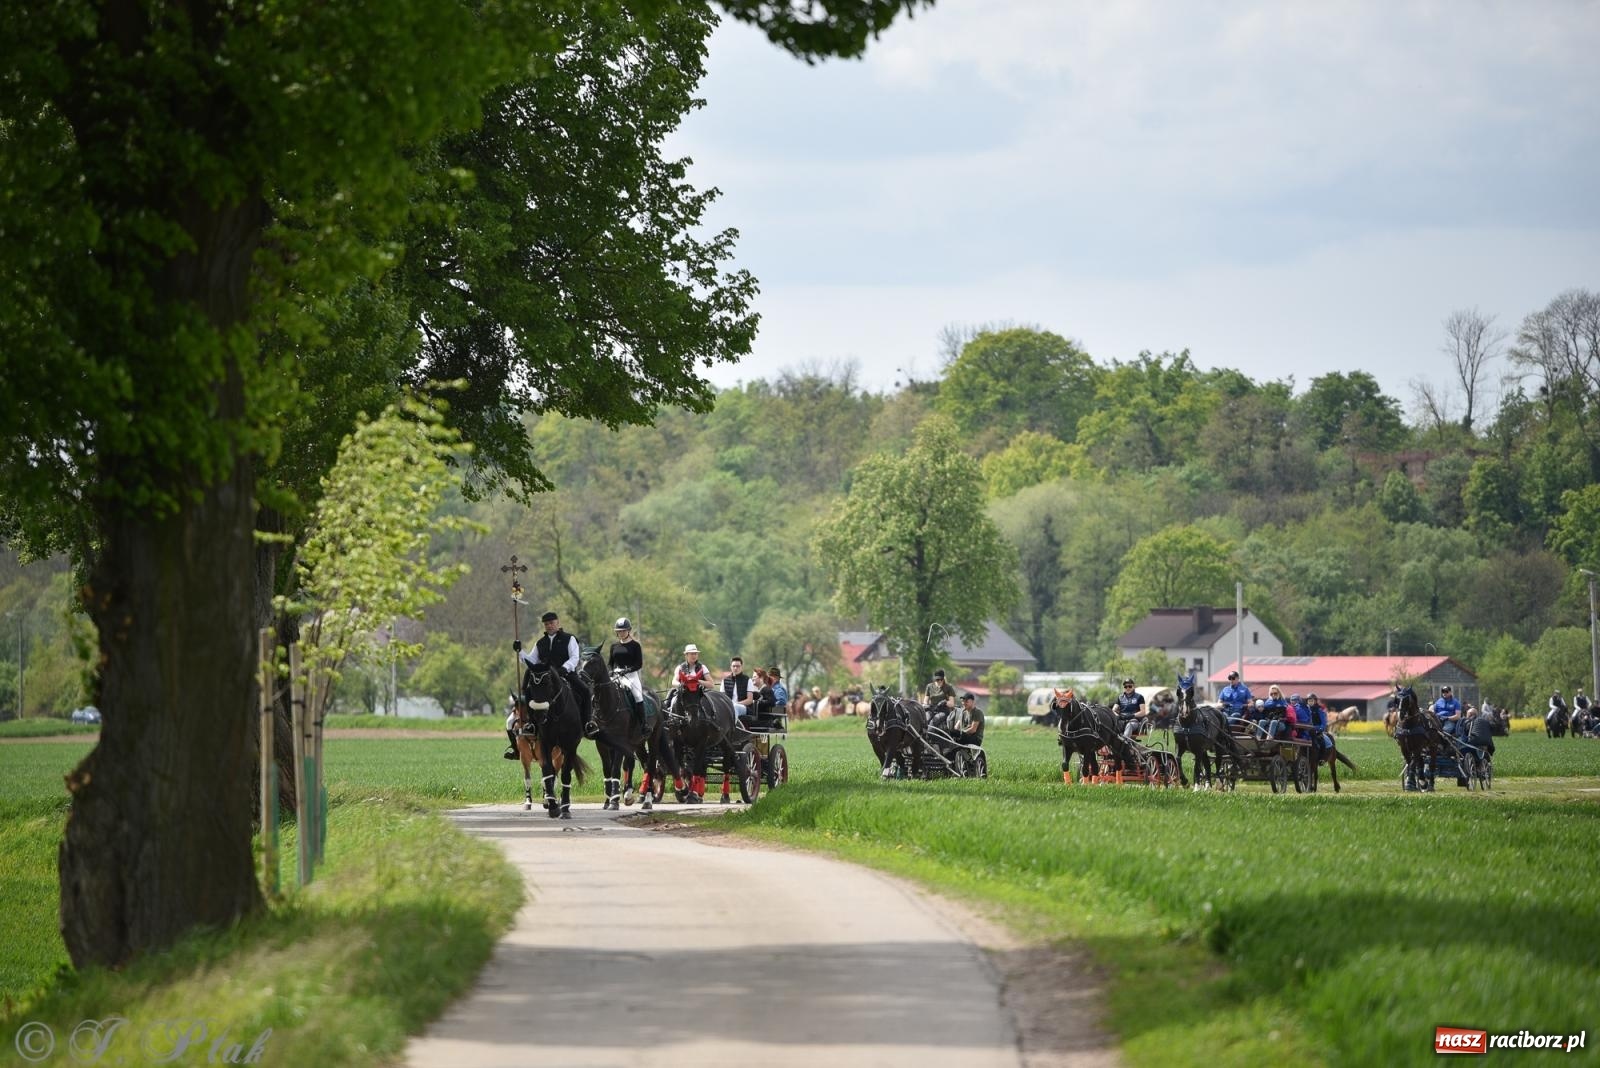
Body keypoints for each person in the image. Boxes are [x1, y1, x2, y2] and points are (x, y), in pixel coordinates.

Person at [521, 609, 590, 725]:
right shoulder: (540, 643)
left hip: (566, 674)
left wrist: (564, 668)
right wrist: (519, 651)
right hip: (545, 678)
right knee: (528, 692)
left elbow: (574, 657)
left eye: (551, 623)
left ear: (558, 623)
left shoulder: (569, 639)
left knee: (585, 691)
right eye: (546, 624)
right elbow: (531, 661)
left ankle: (588, 722)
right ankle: (531, 724)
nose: (549, 626)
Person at [608, 618, 646, 731]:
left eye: (623, 631)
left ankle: (643, 724)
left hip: (631, 676)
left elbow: (639, 664)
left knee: (638, 696)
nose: (621, 633)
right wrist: (610, 670)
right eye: (619, 631)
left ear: (628, 630)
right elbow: (610, 663)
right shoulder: (614, 646)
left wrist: (628, 670)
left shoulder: (635, 645)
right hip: (617, 675)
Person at [670, 644, 710, 713]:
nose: (694, 656)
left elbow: (711, 684)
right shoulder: (680, 668)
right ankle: (670, 716)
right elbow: (674, 681)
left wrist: (698, 681)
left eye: (695, 654)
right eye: (692, 654)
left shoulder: (703, 668)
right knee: (673, 700)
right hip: (684, 694)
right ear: (686, 655)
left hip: (699, 695)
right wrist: (681, 685)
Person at [722, 655, 754, 721]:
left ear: (741, 667)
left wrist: (735, 704)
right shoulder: (724, 680)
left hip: (744, 707)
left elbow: (750, 700)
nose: (735, 668)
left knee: (735, 707)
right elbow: (722, 698)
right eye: (734, 666)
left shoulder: (748, 680)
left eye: (738, 666)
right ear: (731, 667)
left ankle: (733, 729)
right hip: (728, 706)